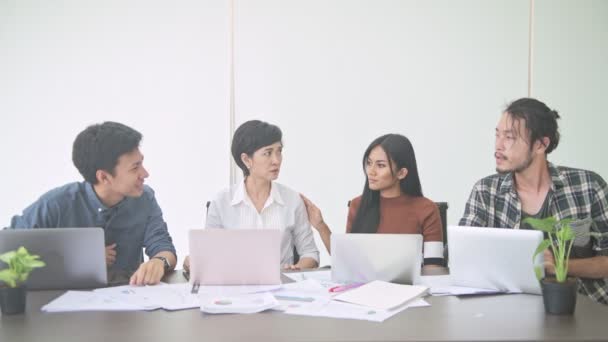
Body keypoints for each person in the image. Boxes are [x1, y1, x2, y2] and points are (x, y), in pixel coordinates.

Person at [460, 97, 608, 305]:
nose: (498, 146)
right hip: (508, 309)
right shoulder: (485, 191)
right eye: (497, 135)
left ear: (540, 144)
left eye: (510, 137)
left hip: (581, 308)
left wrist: (558, 264)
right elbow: (465, 257)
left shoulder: (589, 186)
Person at [9, 122, 177, 286]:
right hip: (66, 305)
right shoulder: (56, 204)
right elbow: (9, 253)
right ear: (104, 177)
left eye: (141, 163)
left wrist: (158, 261)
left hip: (130, 302)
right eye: (135, 168)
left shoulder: (144, 198)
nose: (145, 173)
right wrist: (78, 259)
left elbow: (163, 247)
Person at [183, 120, 319, 271]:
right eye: (268, 153)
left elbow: (310, 253)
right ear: (246, 159)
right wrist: (193, 260)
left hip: (281, 287)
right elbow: (208, 255)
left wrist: (295, 268)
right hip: (235, 287)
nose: (276, 160)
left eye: (279, 151)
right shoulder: (222, 201)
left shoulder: (293, 200)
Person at [302, 133, 444, 267]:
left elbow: (434, 266)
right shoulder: (358, 205)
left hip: (411, 290)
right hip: (364, 289)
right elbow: (346, 262)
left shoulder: (427, 209)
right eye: (369, 163)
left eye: (381, 165)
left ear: (402, 173)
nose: (371, 171)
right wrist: (321, 226)